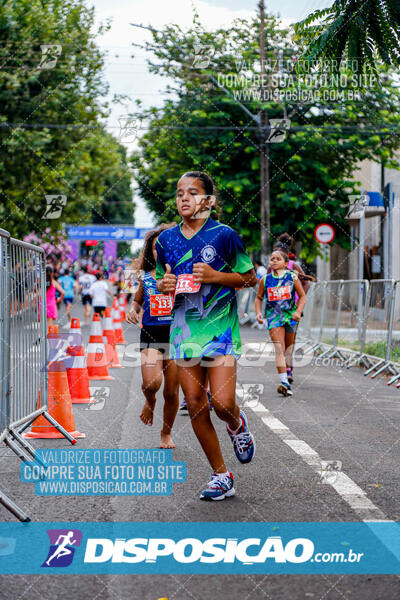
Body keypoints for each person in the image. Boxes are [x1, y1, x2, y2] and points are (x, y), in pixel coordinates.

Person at [156, 170, 257, 501]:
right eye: (179, 192)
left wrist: (217, 276)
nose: (184, 197)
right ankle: (221, 475)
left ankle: (237, 425)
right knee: (197, 405)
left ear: (209, 200)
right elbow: (160, 281)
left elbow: (250, 278)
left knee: (222, 404)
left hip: (220, 332)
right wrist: (164, 285)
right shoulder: (165, 241)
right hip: (184, 333)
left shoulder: (225, 236)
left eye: (193, 192)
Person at [126, 225, 179, 449]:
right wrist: (133, 309)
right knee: (151, 383)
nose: (161, 251)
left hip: (177, 335)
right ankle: (149, 401)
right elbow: (137, 300)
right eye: (157, 248)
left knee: (171, 391)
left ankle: (166, 433)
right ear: (151, 251)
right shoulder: (145, 277)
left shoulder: (183, 276)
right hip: (151, 333)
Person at [255, 249, 306, 397]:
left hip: (290, 316)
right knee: (279, 348)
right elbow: (259, 298)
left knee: (288, 349)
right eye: (272, 259)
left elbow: (302, 296)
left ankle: (288, 369)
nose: (274, 261)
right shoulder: (265, 280)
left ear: (285, 263)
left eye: (278, 259)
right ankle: (284, 382)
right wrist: (259, 312)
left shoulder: (292, 277)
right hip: (274, 317)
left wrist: (298, 312)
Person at [272, 233, 313, 382]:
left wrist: (298, 300)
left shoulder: (293, 266)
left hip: (292, 310)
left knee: (290, 341)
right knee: (279, 343)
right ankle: (284, 370)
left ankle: (288, 369)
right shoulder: (272, 267)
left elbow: (306, 283)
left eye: (279, 255)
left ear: (286, 255)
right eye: (274, 255)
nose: (275, 258)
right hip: (276, 310)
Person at [46, 265, 64, 329]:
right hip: (51, 304)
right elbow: (63, 292)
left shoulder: (41, 283)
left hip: (43, 305)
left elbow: (36, 292)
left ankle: (42, 337)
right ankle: (47, 338)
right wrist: (60, 299)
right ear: (52, 273)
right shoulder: (53, 282)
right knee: (50, 326)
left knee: (43, 324)